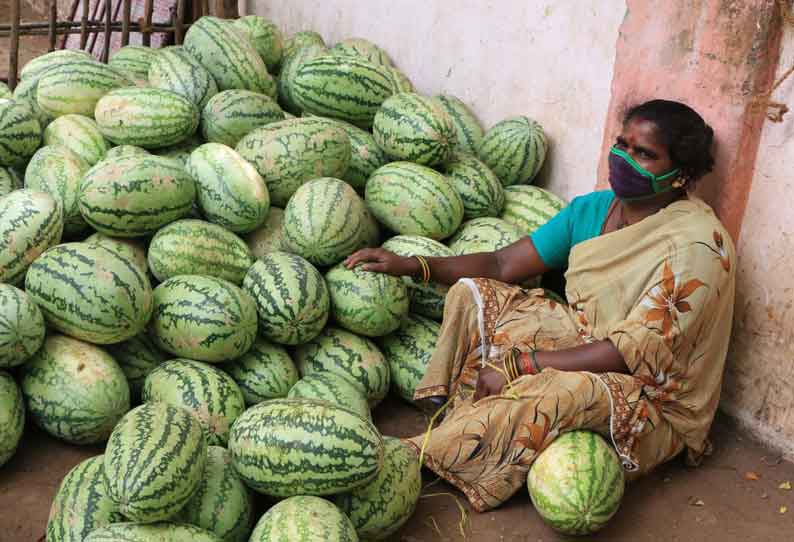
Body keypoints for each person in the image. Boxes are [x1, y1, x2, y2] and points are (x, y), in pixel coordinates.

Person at [345, 99, 736, 512]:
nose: (624, 159)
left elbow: (628, 354)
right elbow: (503, 263)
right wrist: (413, 264)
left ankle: (418, 454)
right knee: (474, 293)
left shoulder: (695, 247)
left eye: (644, 154)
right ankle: (465, 419)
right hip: (589, 337)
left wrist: (526, 363)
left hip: (652, 394)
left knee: (561, 388)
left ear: (682, 175)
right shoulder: (594, 208)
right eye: (622, 145)